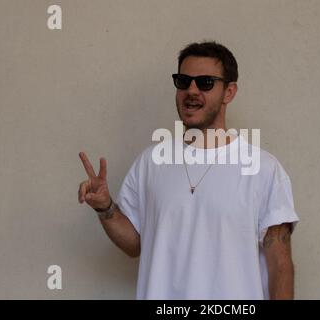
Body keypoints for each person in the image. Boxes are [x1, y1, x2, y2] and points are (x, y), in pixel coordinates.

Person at [78, 41, 299, 299]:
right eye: (183, 81)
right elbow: (135, 243)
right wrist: (105, 207)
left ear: (229, 92)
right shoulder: (151, 162)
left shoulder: (263, 169)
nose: (191, 90)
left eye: (205, 82)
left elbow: (280, 266)